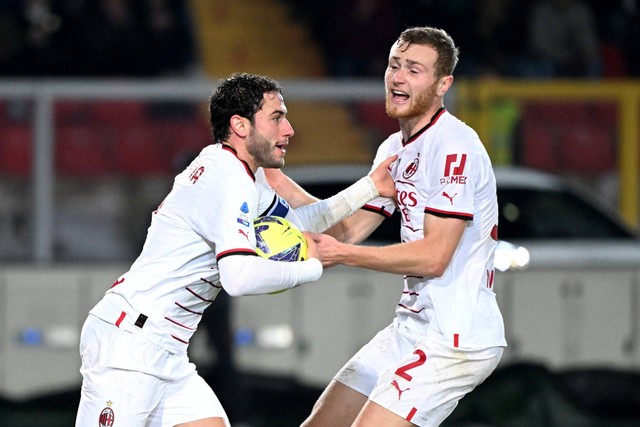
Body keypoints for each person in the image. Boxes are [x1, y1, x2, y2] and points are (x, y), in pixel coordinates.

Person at [74, 72, 396, 427]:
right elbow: (238, 277)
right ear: (240, 125)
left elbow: (302, 222)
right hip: (130, 347)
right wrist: (314, 265)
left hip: (163, 347)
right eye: (277, 118)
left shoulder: (238, 171)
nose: (288, 130)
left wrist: (372, 188)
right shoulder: (227, 178)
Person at [268, 27, 506, 427]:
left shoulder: (455, 146)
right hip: (411, 327)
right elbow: (346, 231)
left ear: (443, 84)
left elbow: (434, 257)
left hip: (456, 337)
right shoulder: (393, 149)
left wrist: (342, 255)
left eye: (414, 69)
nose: (397, 77)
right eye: (394, 65)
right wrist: (279, 184)